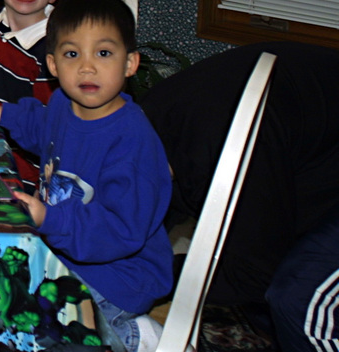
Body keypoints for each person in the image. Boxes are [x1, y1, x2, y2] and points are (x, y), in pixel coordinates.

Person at [0, 0, 172, 352]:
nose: (87, 67)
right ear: (53, 65)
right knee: (1, 286)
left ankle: (134, 337)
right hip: (68, 247)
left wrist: (52, 219)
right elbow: (44, 127)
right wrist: (5, 114)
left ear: (130, 63)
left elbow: (121, 230)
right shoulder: (64, 103)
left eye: (103, 53)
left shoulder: (132, 142)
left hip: (119, 275)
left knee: (37, 322)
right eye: (72, 54)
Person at [139, 42, 339, 352]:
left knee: (300, 301)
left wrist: (152, 276)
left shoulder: (226, 151)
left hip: (297, 136)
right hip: (314, 144)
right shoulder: (147, 124)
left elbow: (253, 273)